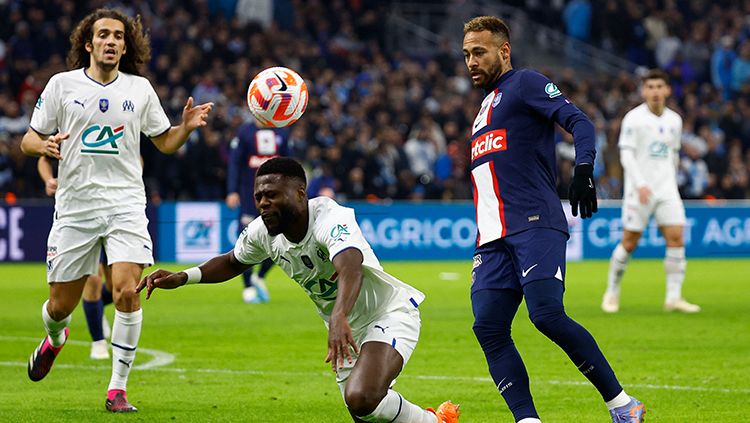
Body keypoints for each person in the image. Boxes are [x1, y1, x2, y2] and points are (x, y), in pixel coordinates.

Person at [137, 157, 460, 423]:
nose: (264, 203)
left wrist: (338, 316)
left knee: (362, 397)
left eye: (273, 195)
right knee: (365, 411)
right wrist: (184, 277)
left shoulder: (330, 216)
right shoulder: (262, 232)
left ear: (300, 194)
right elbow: (233, 262)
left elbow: (350, 264)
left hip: (387, 313)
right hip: (345, 325)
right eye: (259, 196)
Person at [20, 8, 213, 413]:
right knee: (60, 307)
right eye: (103, 35)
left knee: (126, 291)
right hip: (76, 207)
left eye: (119, 36)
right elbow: (28, 140)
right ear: (88, 44)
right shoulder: (62, 85)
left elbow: (164, 142)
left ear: (126, 46)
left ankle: (117, 388)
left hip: (125, 203)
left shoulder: (140, 89)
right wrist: (45, 145)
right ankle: (55, 339)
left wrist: (187, 128)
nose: (111, 41)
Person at [462, 16, 644, 423]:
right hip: (491, 237)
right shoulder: (482, 109)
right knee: (488, 327)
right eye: (467, 55)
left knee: (545, 314)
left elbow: (579, 121)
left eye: (479, 52)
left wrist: (583, 168)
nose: (471, 61)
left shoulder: (525, 83)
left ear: (504, 51)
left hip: (534, 222)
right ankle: (528, 420)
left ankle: (623, 404)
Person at [602, 69, 699, 314]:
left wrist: (671, 181)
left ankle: (673, 298)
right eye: (650, 87)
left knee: (676, 238)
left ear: (667, 90)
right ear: (644, 91)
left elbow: (673, 154)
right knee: (629, 241)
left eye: (659, 87)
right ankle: (612, 292)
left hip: (667, 189)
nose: (655, 91)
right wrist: (640, 184)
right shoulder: (634, 119)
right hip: (640, 190)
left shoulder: (674, 120)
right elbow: (626, 154)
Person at [38, 156, 114, 360]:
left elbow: (137, 158)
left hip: (115, 210)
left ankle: (97, 309)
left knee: (120, 288)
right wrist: (48, 180)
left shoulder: (117, 131)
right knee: (94, 280)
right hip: (81, 214)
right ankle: (98, 343)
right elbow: (43, 157)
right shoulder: (67, 131)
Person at [225, 121, 288, 303]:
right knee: (246, 240)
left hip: (277, 197)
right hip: (249, 195)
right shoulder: (245, 131)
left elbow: (290, 165)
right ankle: (247, 286)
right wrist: (232, 191)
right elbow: (235, 163)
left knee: (282, 239)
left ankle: (259, 276)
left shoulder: (282, 131)